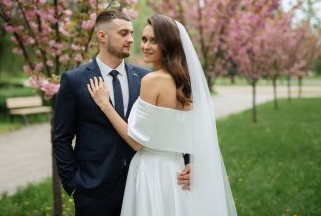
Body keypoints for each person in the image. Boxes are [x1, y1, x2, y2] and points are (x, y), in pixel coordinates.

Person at [87, 15, 238, 215]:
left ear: (168, 44)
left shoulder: (152, 81)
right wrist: (195, 165)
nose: (146, 46)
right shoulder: (188, 85)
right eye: (144, 39)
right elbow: (198, 136)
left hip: (151, 171)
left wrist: (105, 105)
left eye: (154, 40)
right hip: (176, 170)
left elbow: (137, 142)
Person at [53, 11, 190, 216]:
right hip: (94, 191)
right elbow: (61, 138)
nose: (131, 40)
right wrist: (73, 183)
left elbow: (171, 126)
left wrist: (190, 163)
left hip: (143, 185)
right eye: (124, 33)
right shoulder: (75, 80)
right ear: (102, 36)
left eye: (132, 33)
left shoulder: (147, 78)